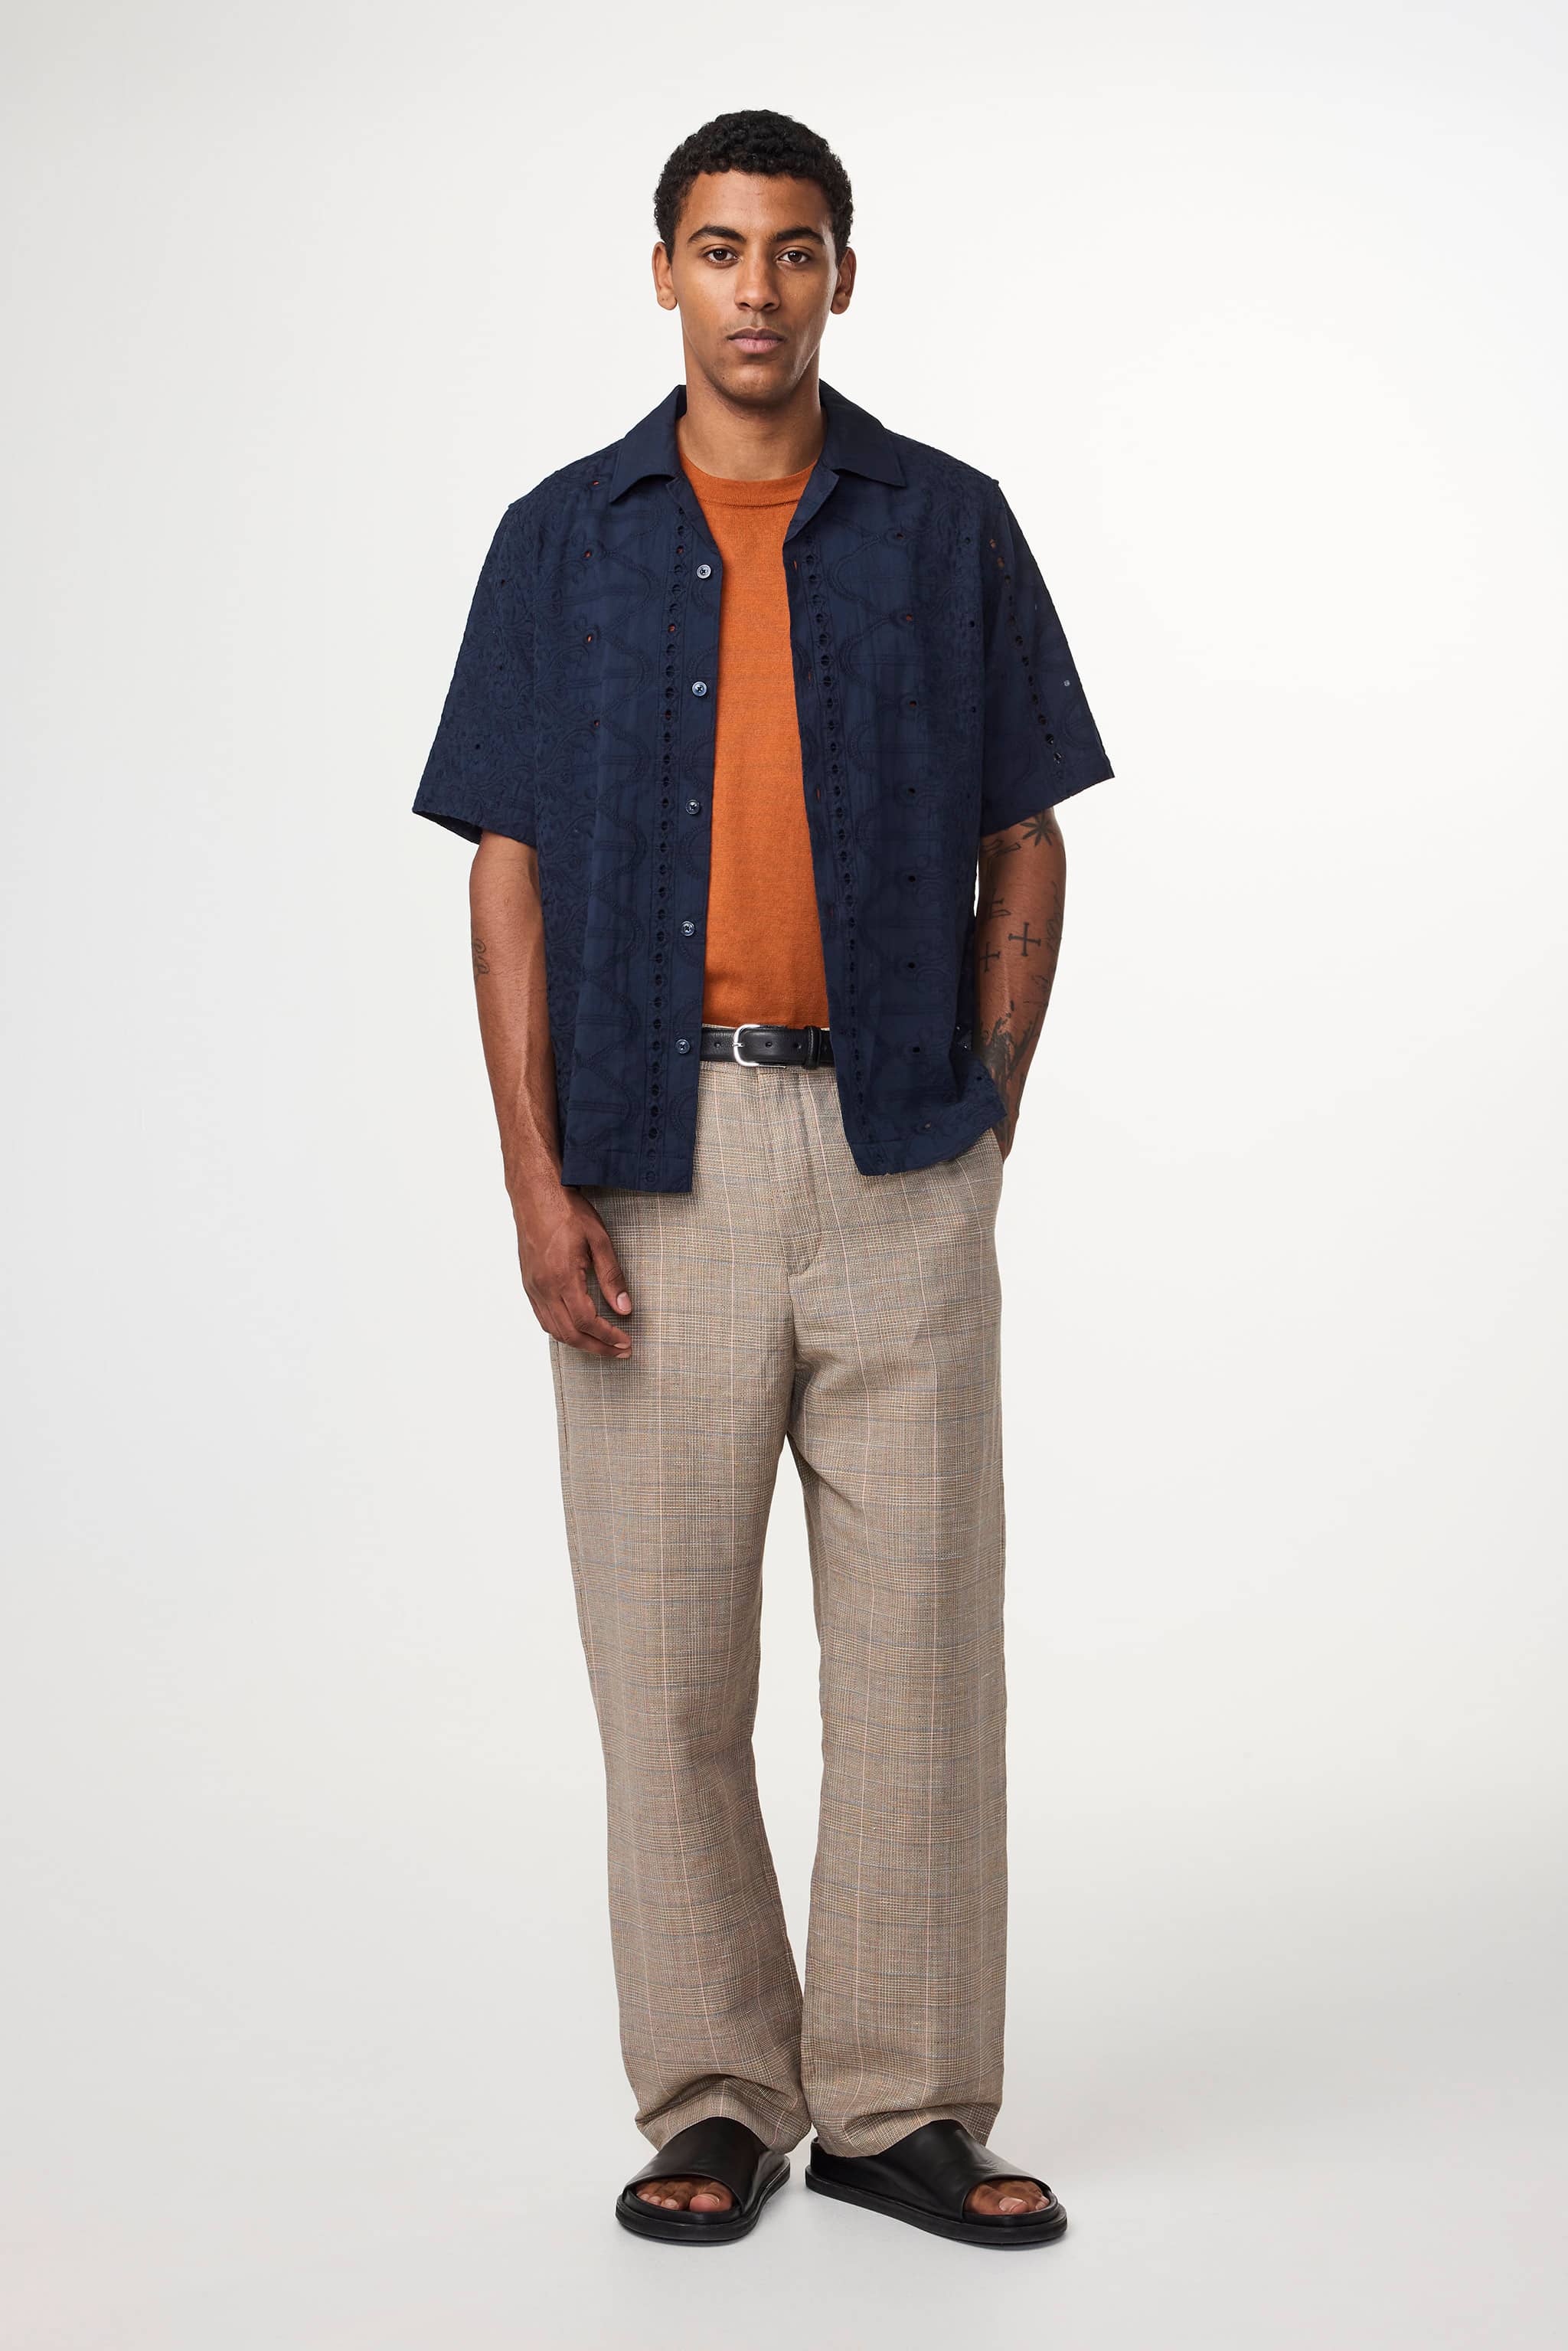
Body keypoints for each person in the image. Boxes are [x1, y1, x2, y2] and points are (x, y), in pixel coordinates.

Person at [412, 109, 1113, 2248]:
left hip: (899, 1149)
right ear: (663, 272)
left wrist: (982, 1115)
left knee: (922, 1663)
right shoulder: (562, 541)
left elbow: (1029, 840)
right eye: (719, 248)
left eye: (794, 250)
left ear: (842, 277)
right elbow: (507, 879)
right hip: (648, 1163)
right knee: (668, 1665)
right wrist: (534, 1181)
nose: (756, 288)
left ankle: (902, 2108)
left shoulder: (948, 527)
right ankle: (715, 2095)